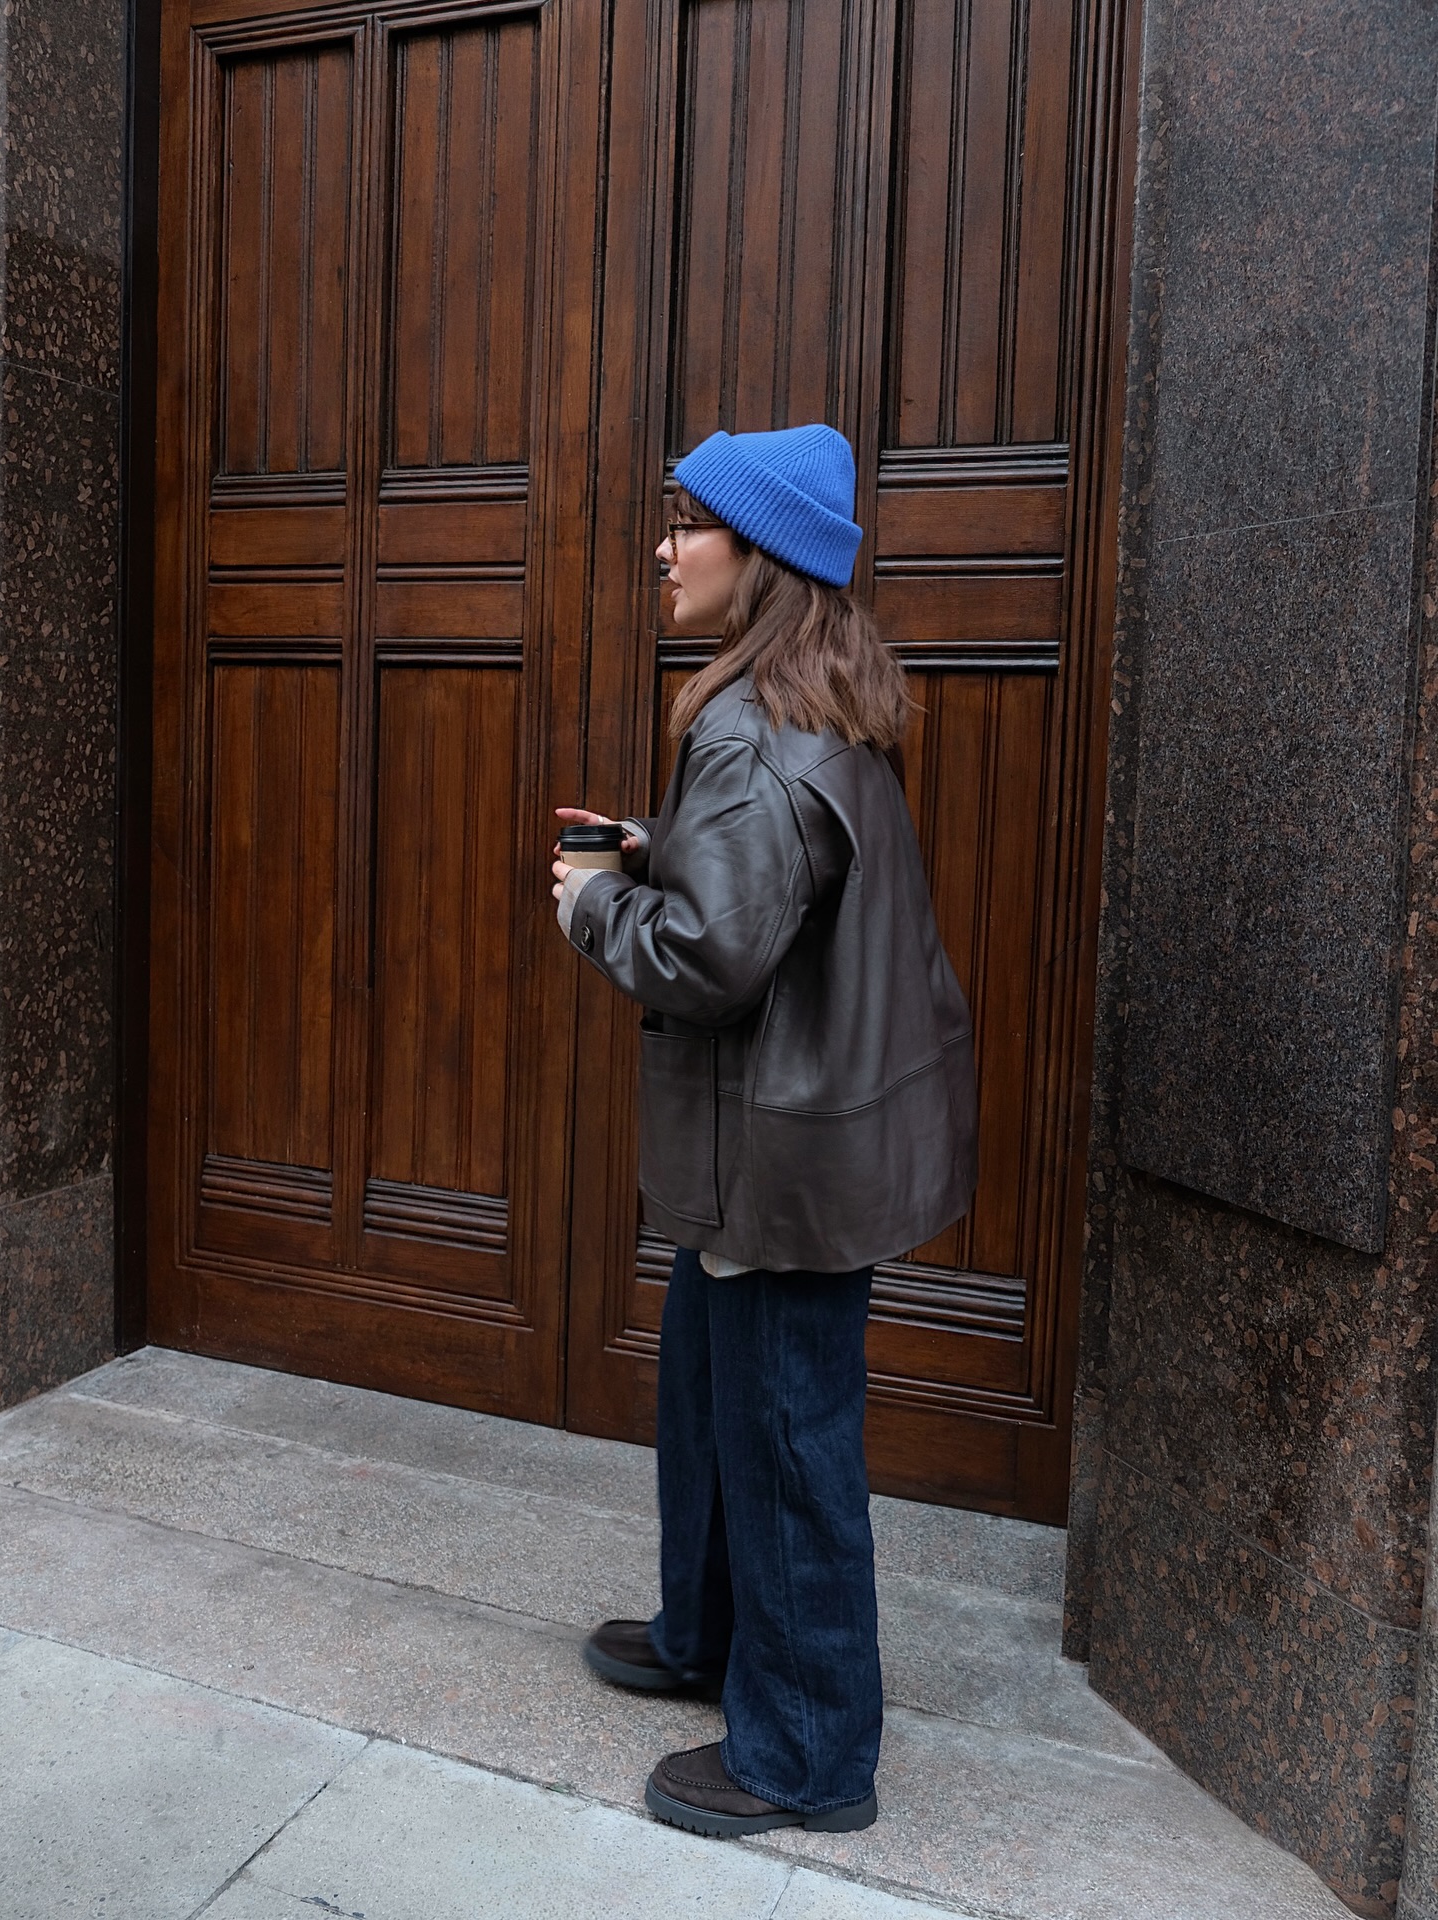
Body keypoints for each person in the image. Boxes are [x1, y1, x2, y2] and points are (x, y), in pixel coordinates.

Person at [550, 423, 978, 1839]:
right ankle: (708, 1635)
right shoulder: (815, 705)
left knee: (787, 1442)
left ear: (764, 556)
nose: (664, 548)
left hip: (778, 1156)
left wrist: (596, 905)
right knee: (713, 1396)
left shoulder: (748, 729)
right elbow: (771, 892)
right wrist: (655, 850)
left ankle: (806, 1755)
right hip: (793, 1144)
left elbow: (710, 960)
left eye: (690, 524)